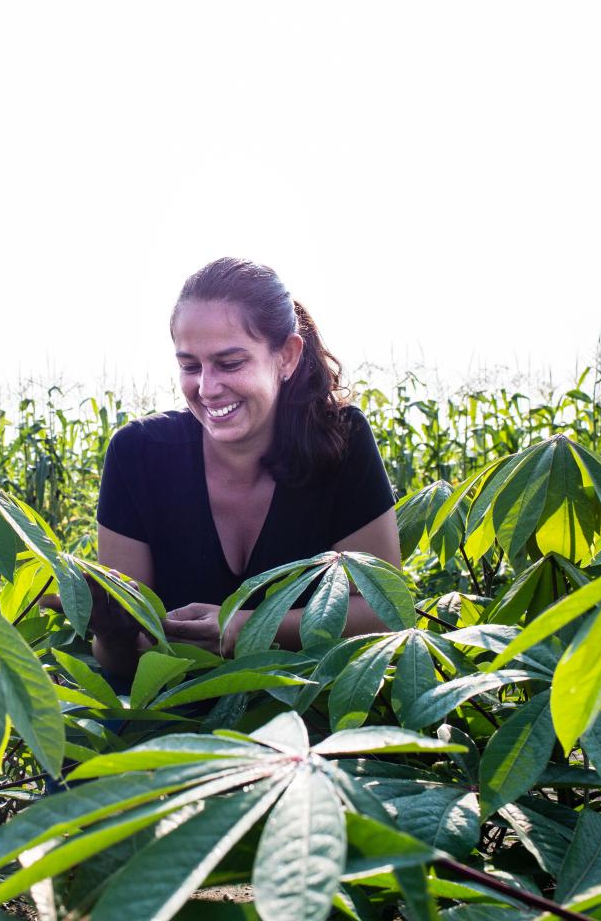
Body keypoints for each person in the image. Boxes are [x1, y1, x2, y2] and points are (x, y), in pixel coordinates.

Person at [91, 257, 400, 680]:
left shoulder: (343, 441)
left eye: (230, 363)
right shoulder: (137, 455)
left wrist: (247, 627)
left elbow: (386, 614)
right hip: (167, 722)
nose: (207, 388)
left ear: (287, 356)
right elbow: (122, 663)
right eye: (190, 366)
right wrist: (111, 631)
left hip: (310, 717)